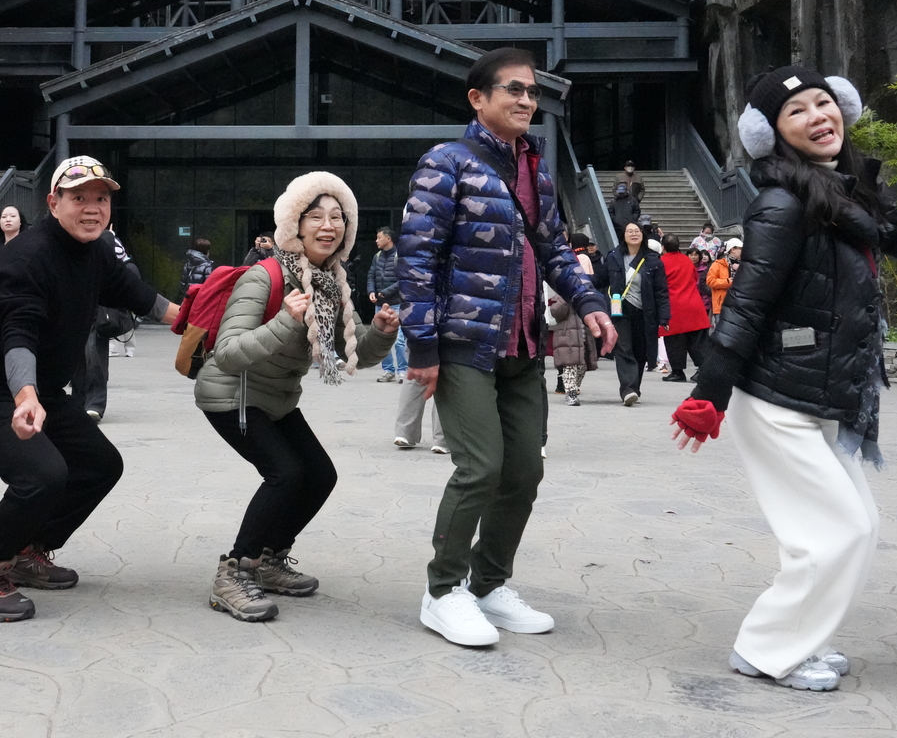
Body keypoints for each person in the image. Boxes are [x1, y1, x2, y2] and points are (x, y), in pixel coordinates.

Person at [668, 65, 897, 692]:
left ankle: (798, 638)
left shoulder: (845, 198)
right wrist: (707, 395)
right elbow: (746, 304)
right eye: (796, 111)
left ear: (843, 108)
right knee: (836, 531)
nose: (817, 116)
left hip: (817, 394)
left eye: (822, 102)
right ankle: (768, 649)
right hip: (776, 400)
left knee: (855, 527)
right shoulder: (781, 205)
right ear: (773, 134)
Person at [400, 47, 614, 648]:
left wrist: (591, 303)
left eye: (532, 91)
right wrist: (423, 349)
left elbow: (555, 250)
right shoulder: (445, 164)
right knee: (480, 468)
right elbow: (416, 261)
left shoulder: (535, 170)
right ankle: (443, 591)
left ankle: (488, 585)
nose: (526, 99)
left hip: (522, 343)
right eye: (513, 89)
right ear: (478, 98)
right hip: (464, 342)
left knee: (524, 470)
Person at [0, 156, 179, 622]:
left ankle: (29, 549)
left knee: (100, 465)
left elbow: (140, 297)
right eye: (79, 198)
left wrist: (196, 321)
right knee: (43, 474)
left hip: (45, 390)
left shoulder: (97, 250)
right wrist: (26, 396)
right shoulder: (26, 257)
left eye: (101, 198)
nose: (92, 208)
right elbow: (19, 333)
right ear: (54, 203)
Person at [195, 173, 400, 621]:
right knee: (285, 473)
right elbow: (227, 354)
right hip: (232, 394)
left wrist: (382, 333)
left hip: (278, 397)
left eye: (337, 217)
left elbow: (354, 351)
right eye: (316, 217)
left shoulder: (331, 283)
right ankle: (234, 572)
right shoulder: (264, 276)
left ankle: (269, 558)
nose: (328, 226)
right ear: (295, 225)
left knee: (320, 475)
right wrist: (286, 321)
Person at [601, 220, 668, 405]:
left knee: (640, 351)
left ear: (642, 235)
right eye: (629, 231)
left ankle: (634, 387)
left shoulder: (653, 260)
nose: (633, 234)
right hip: (620, 311)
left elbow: (661, 291)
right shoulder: (614, 256)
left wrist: (664, 316)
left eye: (637, 231)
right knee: (624, 348)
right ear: (623, 236)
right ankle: (628, 389)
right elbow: (602, 278)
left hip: (645, 312)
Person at [78, 228, 139, 422]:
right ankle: (79, 403)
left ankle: (94, 405)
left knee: (94, 359)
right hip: (75, 315)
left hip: (97, 317)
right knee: (77, 362)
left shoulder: (106, 242)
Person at [657, 234, 710, 381]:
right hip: (693, 303)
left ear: (663, 247)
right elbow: (694, 278)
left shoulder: (661, 262)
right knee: (698, 341)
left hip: (674, 305)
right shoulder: (687, 260)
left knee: (674, 341)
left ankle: (678, 371)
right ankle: (703, 369)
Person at [366, 226, 407, 383]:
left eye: (379, 237)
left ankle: (402, 370)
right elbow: (371, 275)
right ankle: (388, 371)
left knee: (399, 341)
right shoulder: (377, 257)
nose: (376, 241)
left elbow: (404, 279)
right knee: (382, 340)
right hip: (380, 305)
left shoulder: (399, 256)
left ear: (388, 239)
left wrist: (386, 292)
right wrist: (371, 290)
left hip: (397, 304)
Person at [550, 290, 599, 406]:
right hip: (567, 338)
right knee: (570, 366)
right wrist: (566, 297)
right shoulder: (562, 297)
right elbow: (555, 312)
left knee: (582, 366)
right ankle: (570, 392)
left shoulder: (584, 295)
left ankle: (574, 387)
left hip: (583, 338)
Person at [706, 240, 741, 327]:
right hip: (721, 304)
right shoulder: (718, 264)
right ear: (733, 249)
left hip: (738, 304)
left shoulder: (743, 265)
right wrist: (728, 281)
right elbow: (710, 281)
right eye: (740, 249)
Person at [610, 161, 644, 236]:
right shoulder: (619, 177)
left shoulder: (638, 178)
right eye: (628, 166)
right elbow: (614, 189)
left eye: (631, 166)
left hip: (633, 202)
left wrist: (638, 198)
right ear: (625, 168)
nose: (630, 168)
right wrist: (617, 195)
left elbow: (642, 189)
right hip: (620, 204)